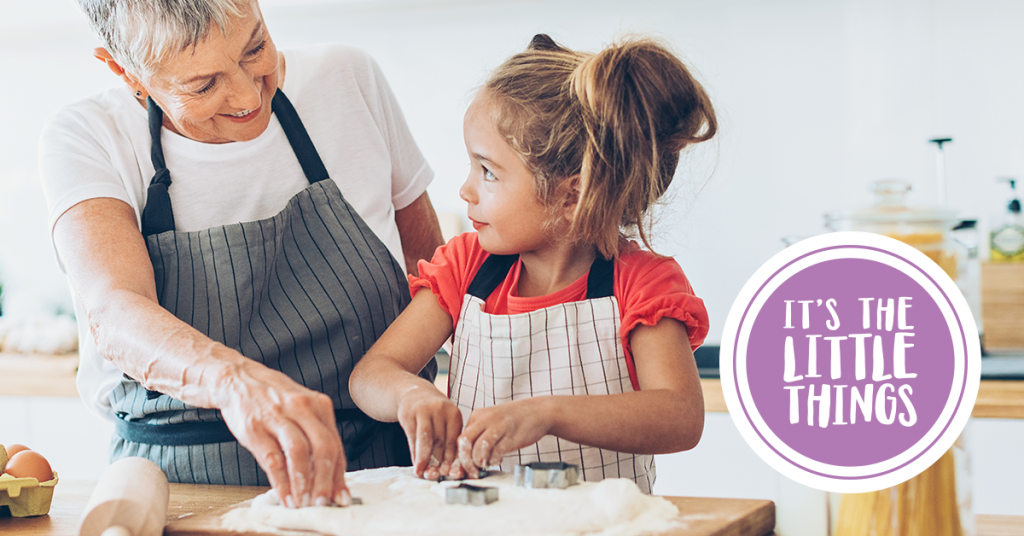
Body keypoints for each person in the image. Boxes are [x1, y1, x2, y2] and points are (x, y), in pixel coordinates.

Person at [38, 0, 443, 508]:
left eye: (256, 48)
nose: (249, 94)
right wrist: (234, 382)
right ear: (127, 73)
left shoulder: (347, 79)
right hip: (184, 490)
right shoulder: (87, 137)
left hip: (387, 477)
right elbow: (113, 310)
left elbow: (436, 274)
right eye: (203, 84)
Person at [349, 34, 716, 493]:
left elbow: (680, 416)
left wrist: (547, 413)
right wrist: (410, 394)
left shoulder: (639, 283)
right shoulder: (467, 267)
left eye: (488, 171)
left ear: (571, 194)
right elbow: (371, 374)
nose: (466, 190)